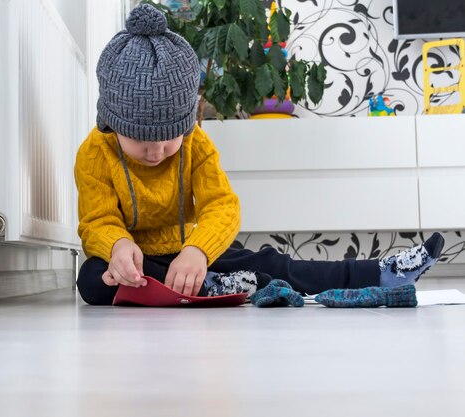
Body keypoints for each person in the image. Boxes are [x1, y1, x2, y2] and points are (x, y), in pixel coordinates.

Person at [74, 4, 444, 306]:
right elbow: (97, 220)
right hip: (141, 263)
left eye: (169, 138)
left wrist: (199, 252)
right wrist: (118, 246)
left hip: (196, 254)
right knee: (93, 279)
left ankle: (381, 272)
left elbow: (222, 206)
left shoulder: (196, 144)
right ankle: (227, 286)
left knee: (272, 261)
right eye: (140, 140)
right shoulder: (95, 152)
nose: (156, 151)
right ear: (111, 122)